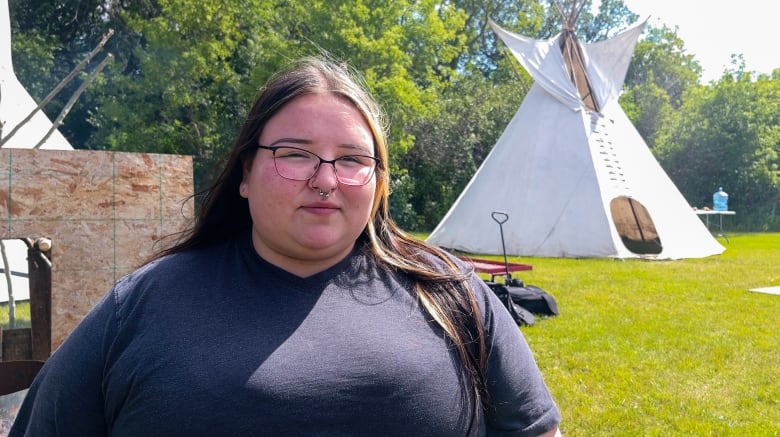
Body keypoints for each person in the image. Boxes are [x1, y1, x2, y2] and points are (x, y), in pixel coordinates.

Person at [11, 55, 561, 436]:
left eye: (351, 159)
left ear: (378, 181)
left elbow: (536, 429)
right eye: (295, 153)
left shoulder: (451, 293)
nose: (325, 179)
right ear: (245, 172)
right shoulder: (140, 304)